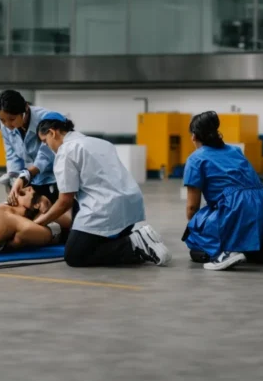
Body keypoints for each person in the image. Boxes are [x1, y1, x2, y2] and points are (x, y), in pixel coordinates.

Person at [31, 113, 172, 268]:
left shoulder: (66, 151)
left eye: (45, 141)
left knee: (74, 255)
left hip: (105, 208)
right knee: (100, 241)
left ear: (52, 132)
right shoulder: (100, 143)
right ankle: (138, 243)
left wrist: (39, 222)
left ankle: (133, 243)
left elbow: (65, 201)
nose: (47, 146)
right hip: (130, 205)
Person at [182, 111, 263, 271]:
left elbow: (192, 208)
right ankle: (250, 249)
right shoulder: (235, 151)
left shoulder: (196, 159)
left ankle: (227, 251)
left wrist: (196, 227)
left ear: (194, 136)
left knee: (195, 234)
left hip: (236, 207)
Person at [0, 90, 62, 207]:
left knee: (54, 210)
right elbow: (12, 156)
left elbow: (46, 155)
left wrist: (24, 177)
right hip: (33, 177)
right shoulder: (6, 127)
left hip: (56, 177)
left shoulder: (47, 120)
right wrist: (14, 181)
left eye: (12, 119)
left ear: (25, 109)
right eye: (2, 120)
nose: (7, 125)